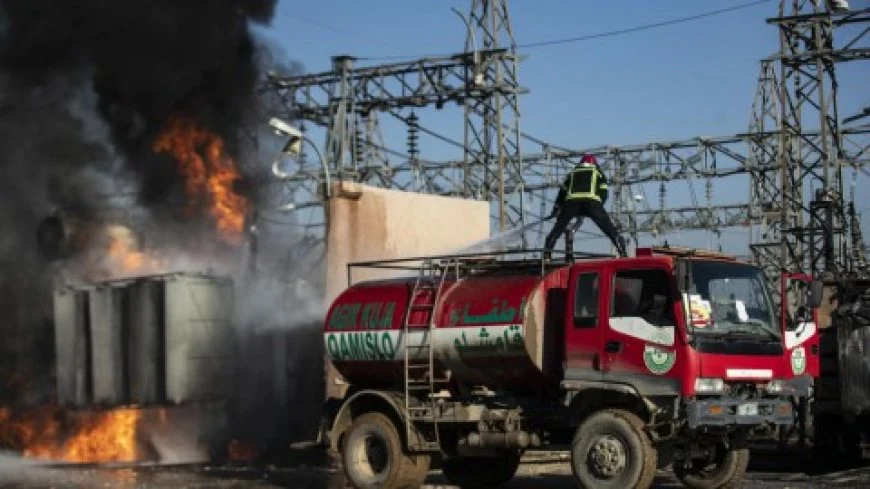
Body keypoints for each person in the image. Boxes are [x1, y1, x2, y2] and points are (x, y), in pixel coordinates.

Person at [544, 154, 627, 258]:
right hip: (591, 202)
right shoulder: (597, 172)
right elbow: (604, 191)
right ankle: (623, 252)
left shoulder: (572, 173)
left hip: (571, 203)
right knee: (609, 228)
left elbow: (562, 193)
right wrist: (599, 207)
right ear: (594, 163)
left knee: (558, 228)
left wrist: (556, 209)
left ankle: (547, 254)